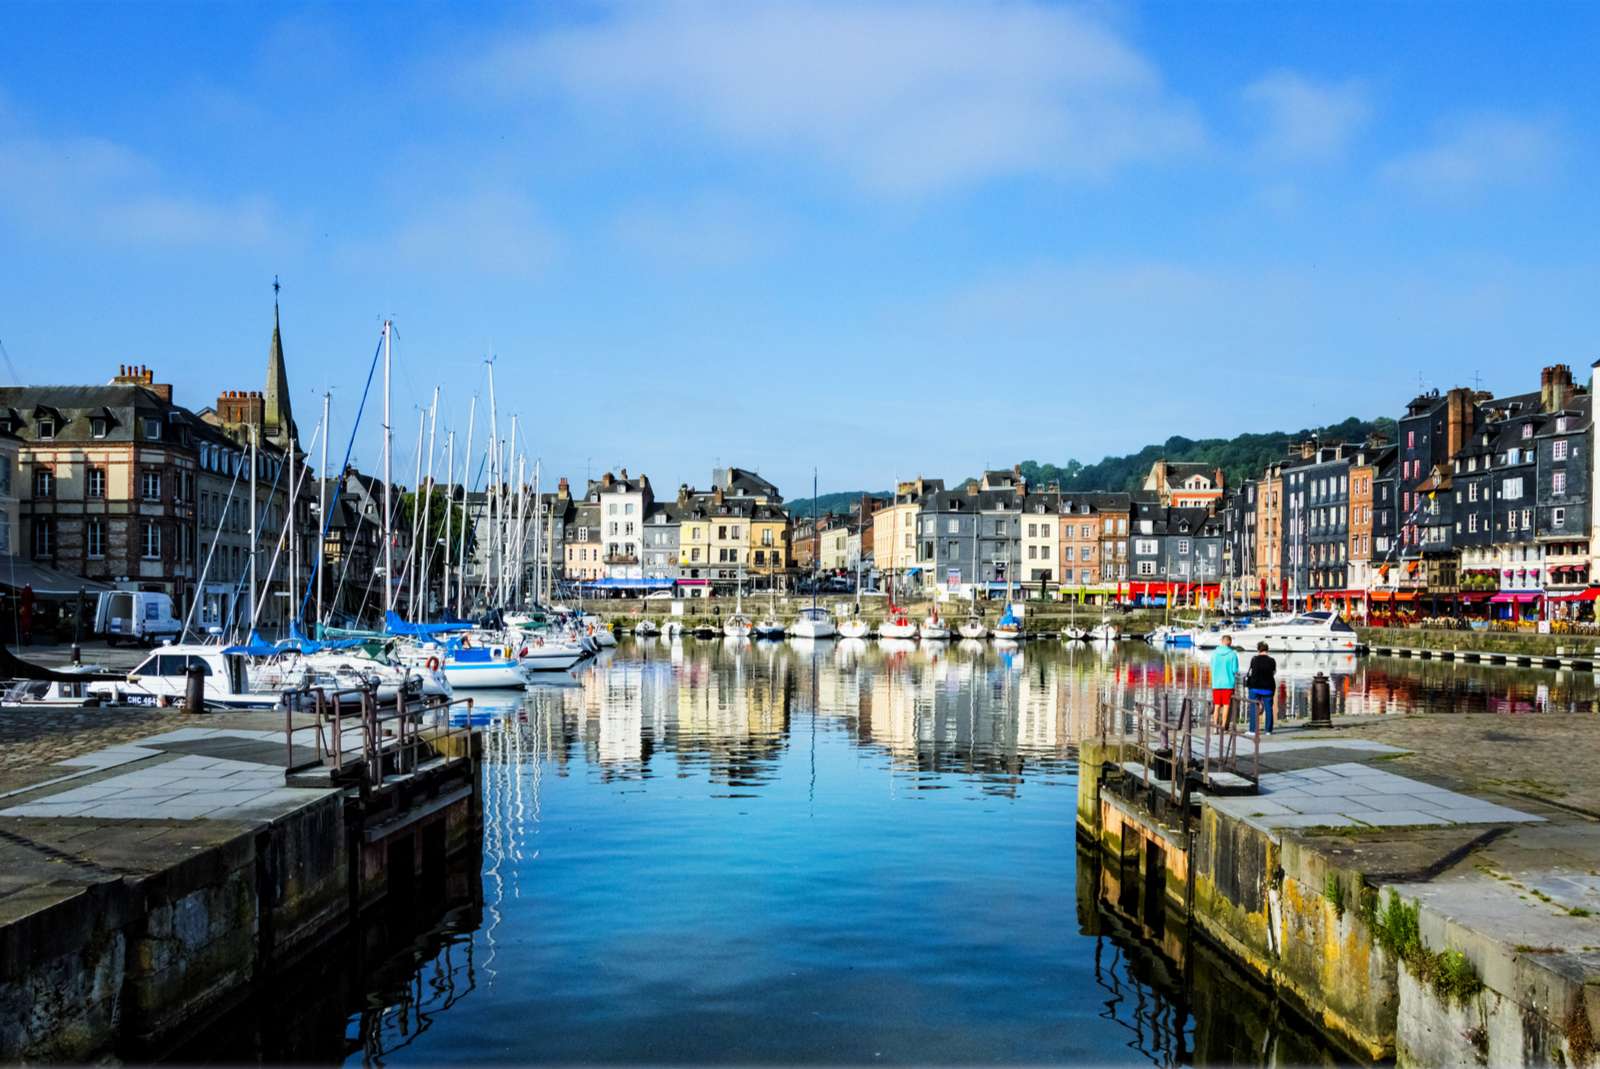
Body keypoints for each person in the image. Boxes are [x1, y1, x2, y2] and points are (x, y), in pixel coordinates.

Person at [1246, 641, 1277, 735]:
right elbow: (1274, 672)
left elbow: (1251, 671)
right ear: (1267, 650)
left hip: (1255, 686)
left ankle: (1252, 730)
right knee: (1269, 709)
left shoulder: (1254, 659)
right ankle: (1268, 730)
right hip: (1268, 687)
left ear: (1258, 650)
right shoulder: (1272, 660)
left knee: (1253, 708)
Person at [1209, 633, 1239, 729]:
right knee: (1226, 706)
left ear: (1222, 641)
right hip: (1228, 684)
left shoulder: (1214, 653)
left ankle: (1215, 728)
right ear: (1229, 642)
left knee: (1216, 706)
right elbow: (1235, 670)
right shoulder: (1233, 654)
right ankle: (1223, 727)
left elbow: (1211, 667)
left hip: (1216, 683)